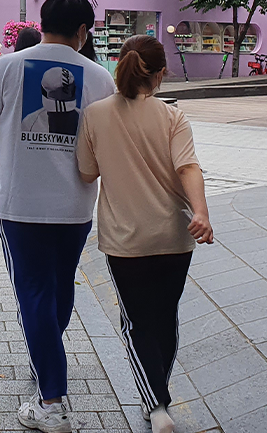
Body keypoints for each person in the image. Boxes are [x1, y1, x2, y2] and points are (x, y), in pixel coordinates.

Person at [0, 0, 116, 433]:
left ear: (42, 21)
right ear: (83, 31)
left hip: (20, 204)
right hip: (75, 205)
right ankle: (45, 355)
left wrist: (3, 122)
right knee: (57, 287)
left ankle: (51, 401)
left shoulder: (8, 66)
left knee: (32, 293)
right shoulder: (98, 77)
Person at [77, 35, 213, 433]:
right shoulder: (173, 117)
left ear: (120, 64)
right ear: (161, 74)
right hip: (175, 236)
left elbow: (87, 173)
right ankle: (160, 396)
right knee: (163, 317)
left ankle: (155, 406)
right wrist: (201, 212)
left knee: (135, 324)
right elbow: (189, 168)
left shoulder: (96, 114)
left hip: (125, 240)